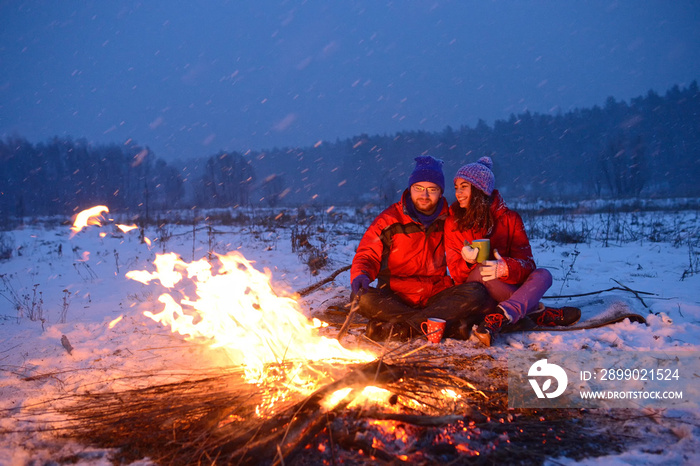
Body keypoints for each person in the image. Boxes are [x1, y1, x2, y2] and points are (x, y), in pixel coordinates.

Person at [350, 155, 494, 341]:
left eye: (432, 189)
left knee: (476, 292)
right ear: (410, 188)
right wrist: (361, 274)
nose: (424, 195)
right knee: (361, 298)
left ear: (440, 192)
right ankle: (440, 325)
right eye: (419, 188)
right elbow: (367, 254)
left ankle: (401, 328)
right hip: (395, 297)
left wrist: (470, 258)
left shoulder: (450, 219)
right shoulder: (389, 220)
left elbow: (464, 255)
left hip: (436, 295)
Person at [445, 156, 581, 347]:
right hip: (479, 296)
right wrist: (467, 262)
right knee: (483, 270)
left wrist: (506, 268)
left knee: (544, 275)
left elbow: (527, 264)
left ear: (480, 189)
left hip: (507, 289)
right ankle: (536, 311)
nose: (458, 193)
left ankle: (501, 316)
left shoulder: (510, 219)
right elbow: (458, 277)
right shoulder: (453, 223)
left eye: (464, 186)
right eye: (456, 187)